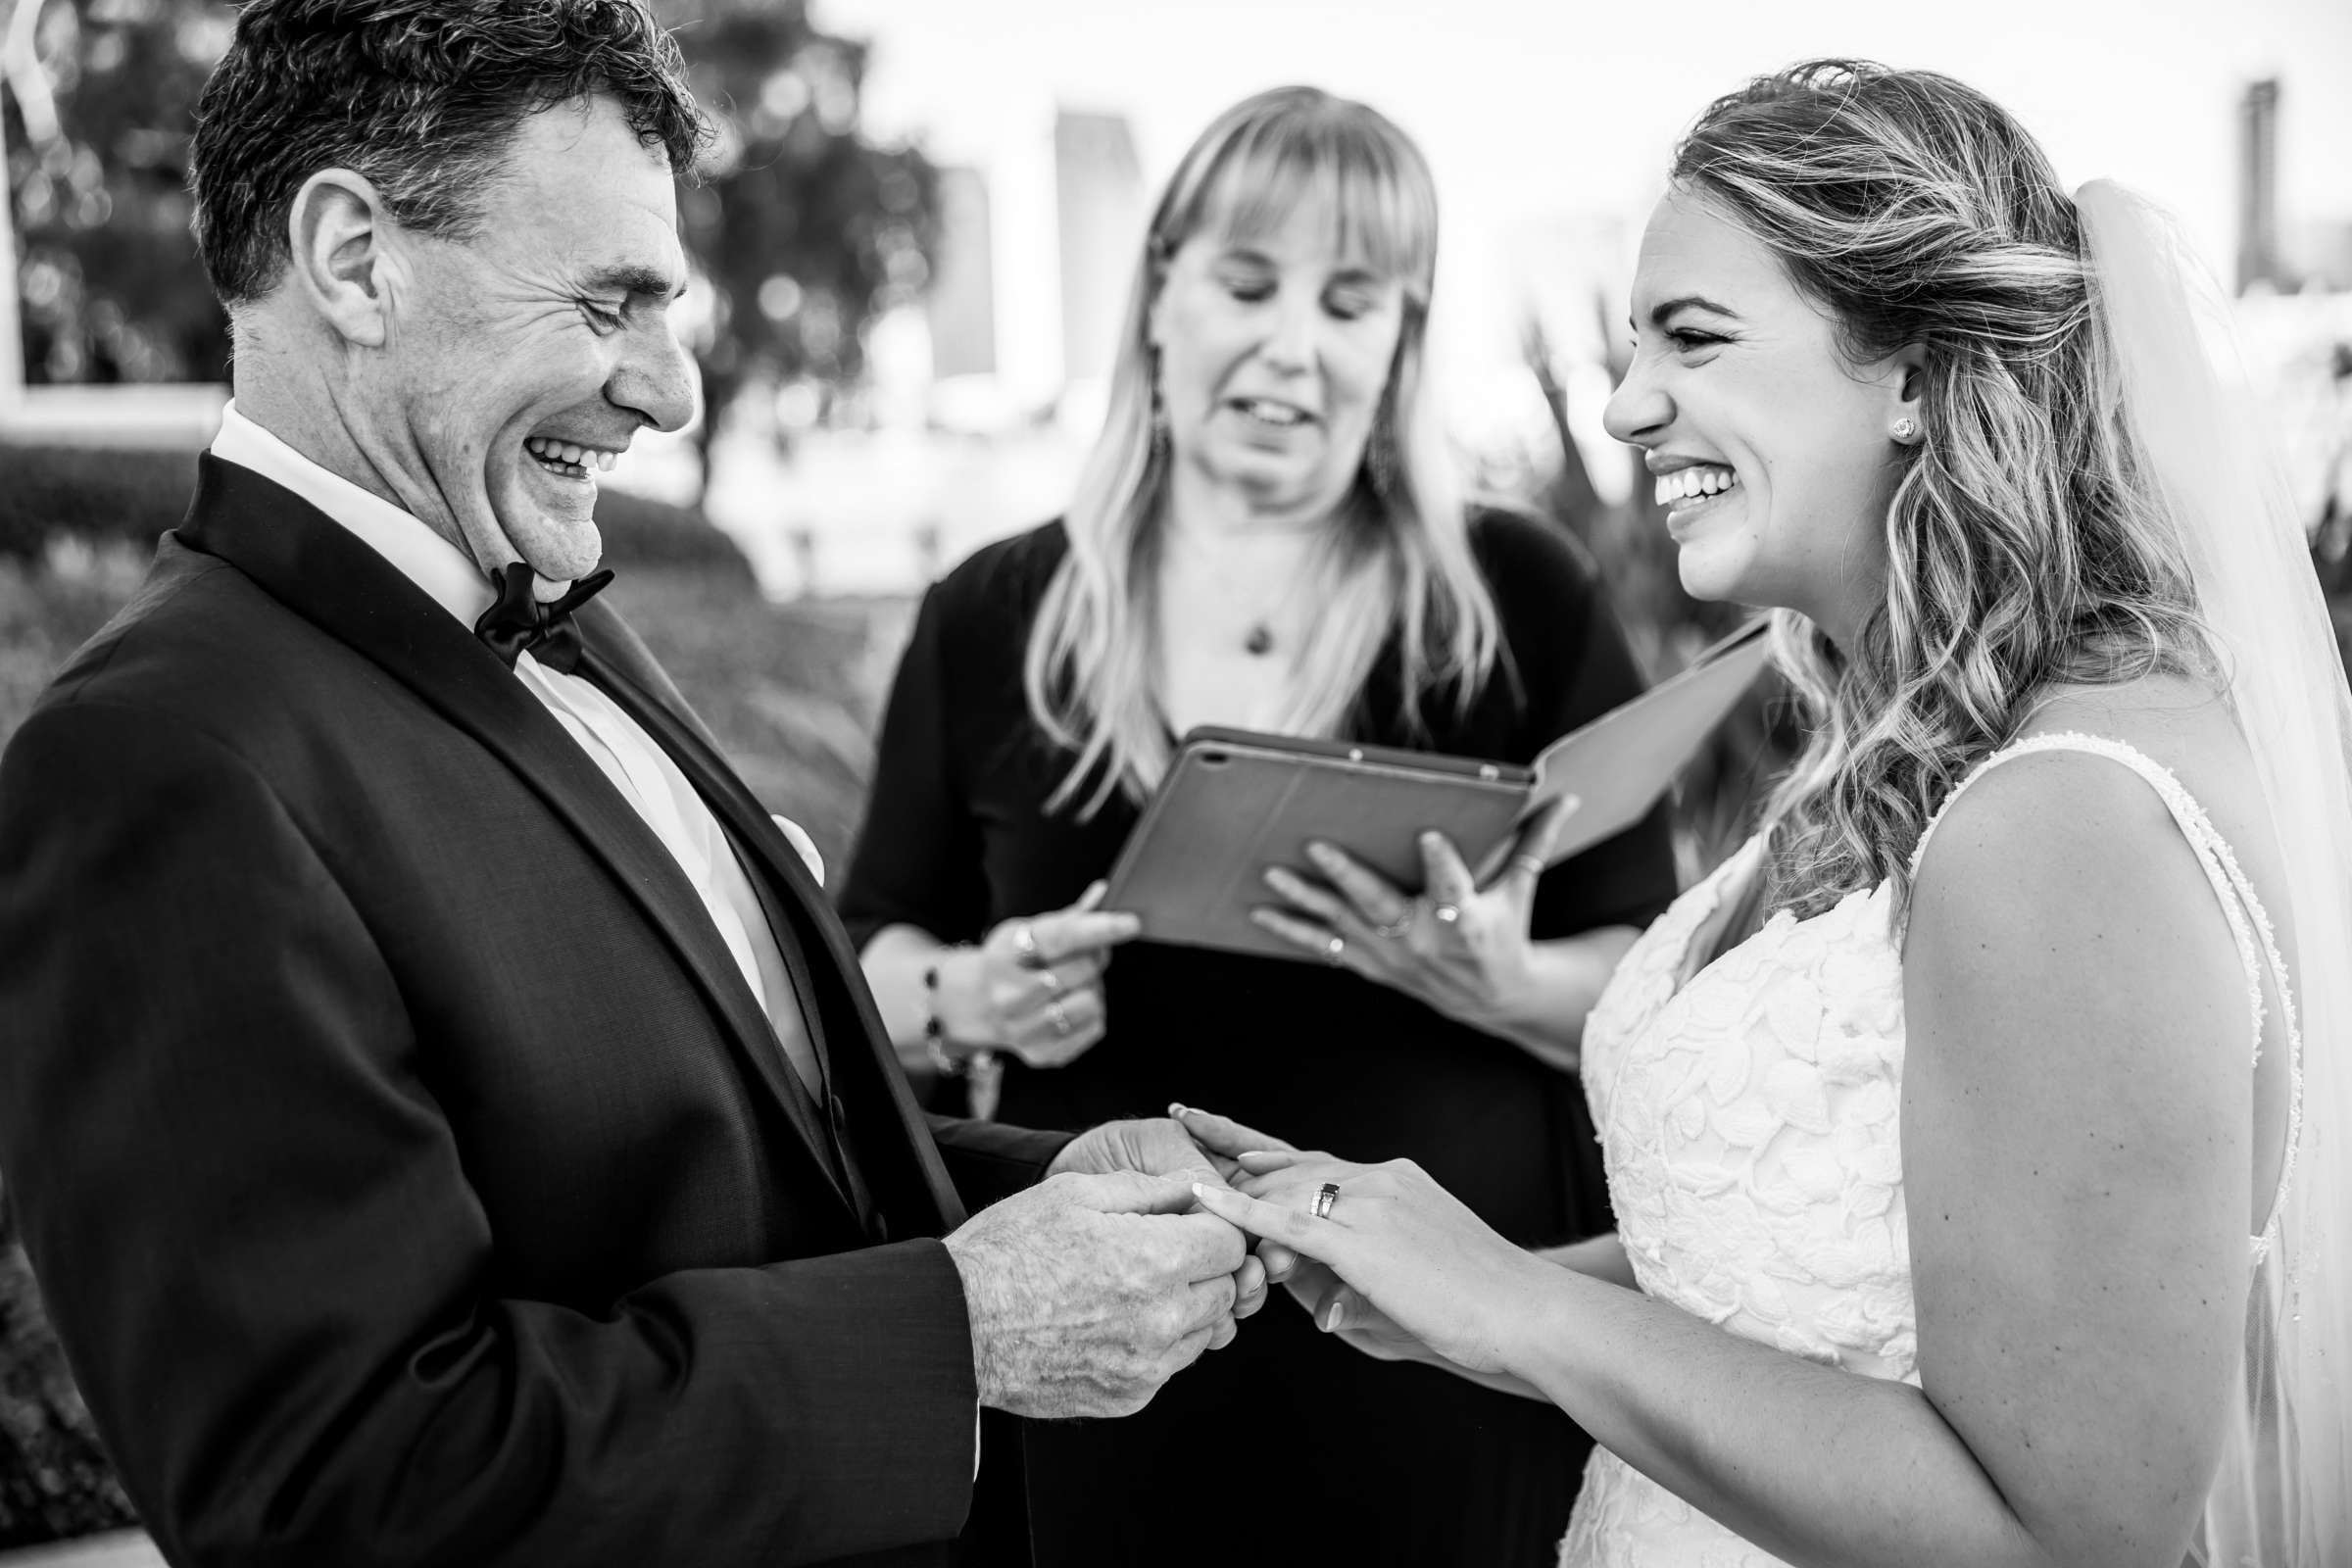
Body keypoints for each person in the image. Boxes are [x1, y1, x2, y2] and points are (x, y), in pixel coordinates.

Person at [0, 5, 1270, 1565]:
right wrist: (967, 1329)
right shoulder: (157, 765)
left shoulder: (566, 610)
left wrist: (1045, 1190)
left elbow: (715, 1158)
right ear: (351, 258)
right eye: (611, 303)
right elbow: (339, 1492)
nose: (672, 392)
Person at [1188, 59, 2352, 1568]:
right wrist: (1434, 1290)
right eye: (1626, 348)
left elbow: (2063, 1537)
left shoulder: (2065, 817)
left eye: (1696, 339)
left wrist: (1517, 1307)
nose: (1622, 407)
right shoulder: (1918, 745)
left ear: (1918, 372)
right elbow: (1797, 1276)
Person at [840, 86, 1681, 1565]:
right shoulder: (991, 611)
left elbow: (1655, 983)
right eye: (1246, 284)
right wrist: (972, 991)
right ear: (1158, 295)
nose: (1294, 344)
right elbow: (868, 953)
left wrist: (1500, 980)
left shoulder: (1519, 597)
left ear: (1399, 345)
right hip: (1110, 1357)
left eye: (1352, 303)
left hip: (1446, 1367)